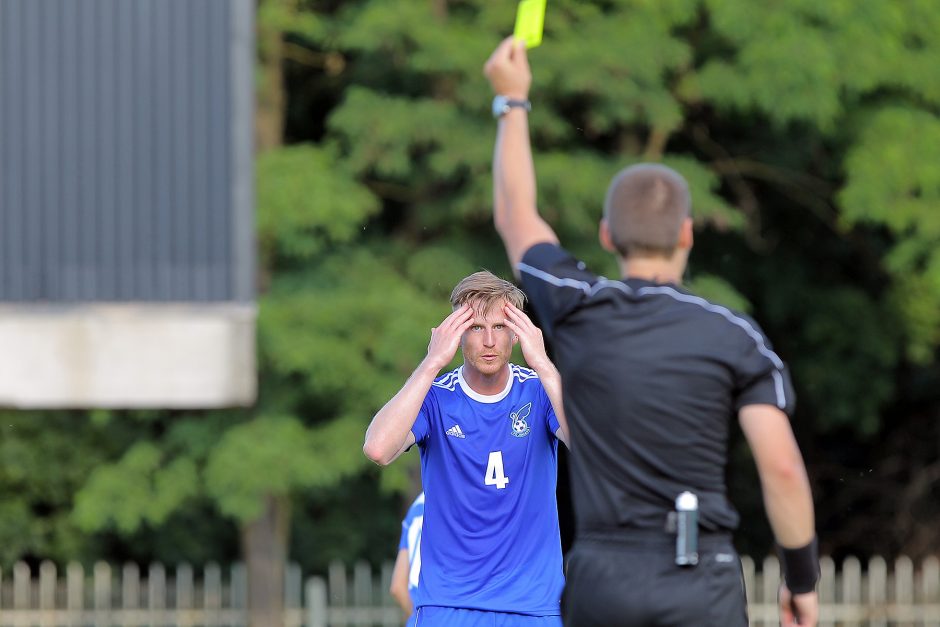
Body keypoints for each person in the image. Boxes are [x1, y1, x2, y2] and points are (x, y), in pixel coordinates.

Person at [483, 37, 820, 627]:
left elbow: (515, 215)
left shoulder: (576, 307)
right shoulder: (735, 336)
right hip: (703, 581)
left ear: (608, 235)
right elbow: (784, 467)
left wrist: (512, 102)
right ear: (687, 234)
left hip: (602, 576)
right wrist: (801, 578)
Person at [363, 271, 569, 627]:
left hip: (533, 605)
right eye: (475, 327)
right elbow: (378, 449)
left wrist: (544, 364)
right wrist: (431, 363)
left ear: (518, 333)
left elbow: (592, 445)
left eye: (500, 326)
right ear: (456, 334)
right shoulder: (434, 397)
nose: (489, 340)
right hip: (448, 605)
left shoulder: (540, 391)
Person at [390, 491, 424, 627]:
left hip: (420, 618)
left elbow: (398, 587)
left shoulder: (416, 507)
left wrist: (418, 617)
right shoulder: (462, 499)